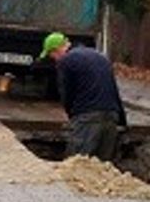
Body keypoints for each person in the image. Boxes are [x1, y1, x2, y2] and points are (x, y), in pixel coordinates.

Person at [40, 32, 127, 162]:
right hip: (111, 116)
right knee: (103, 167)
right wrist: (122, 121)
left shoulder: (66, 61)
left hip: (87, 118)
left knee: (76, 164)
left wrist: (72, 117)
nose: (53, 59)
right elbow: (113, 89)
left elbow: (67, 93)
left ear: (56, 49)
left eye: (51, 55)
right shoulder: (100, 56)